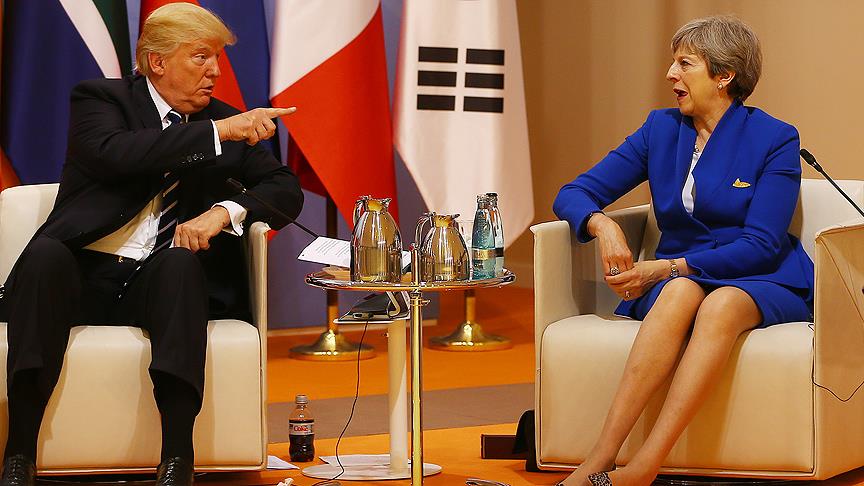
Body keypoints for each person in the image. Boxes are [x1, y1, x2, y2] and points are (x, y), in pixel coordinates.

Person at [0, 4, 303, 486]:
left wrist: (224, 212)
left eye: (217, 58)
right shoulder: (102, 100)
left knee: (179, 265)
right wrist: (217, 133)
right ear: (158, 62)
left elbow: (285, 190)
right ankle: (18, 455)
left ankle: (177, 459)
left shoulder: (228, 121)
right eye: (201, 56)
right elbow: (115, 153)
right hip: (83, 274)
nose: (215, 71)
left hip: (160, 286)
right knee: (44, 256)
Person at [552, 15, 813, 486]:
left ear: (724, 75)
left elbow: (761, 244)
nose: (670, 74)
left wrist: (666, 267)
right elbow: (574, 192)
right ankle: (599, 458)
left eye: (685, 63)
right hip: (678, 279)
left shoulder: (774, 138)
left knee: (721, 303)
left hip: (760, 276)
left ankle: (645, 466)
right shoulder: (661, 129)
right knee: (680, 292)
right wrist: (602, 225)